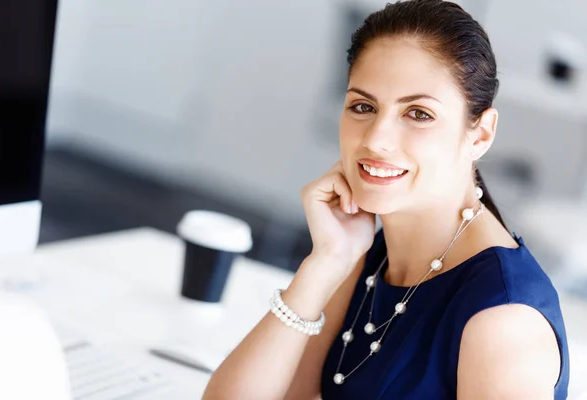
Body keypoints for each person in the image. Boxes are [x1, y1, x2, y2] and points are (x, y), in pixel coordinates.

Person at [202, 0, 569, 398]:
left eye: (418, 114)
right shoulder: (370, 255)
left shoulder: (502, 320)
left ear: (479, 134)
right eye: (363, 106)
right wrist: (325, 263)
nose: (376, 139)